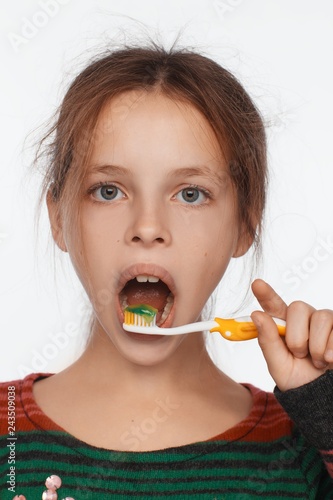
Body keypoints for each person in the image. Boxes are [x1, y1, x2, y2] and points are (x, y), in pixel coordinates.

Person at [0, 44, 332, 500]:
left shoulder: (303, 450)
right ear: (59, 218)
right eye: (109, 190)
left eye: (191, 194)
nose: (148, 227)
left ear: (245, 224)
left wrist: (326, 414)